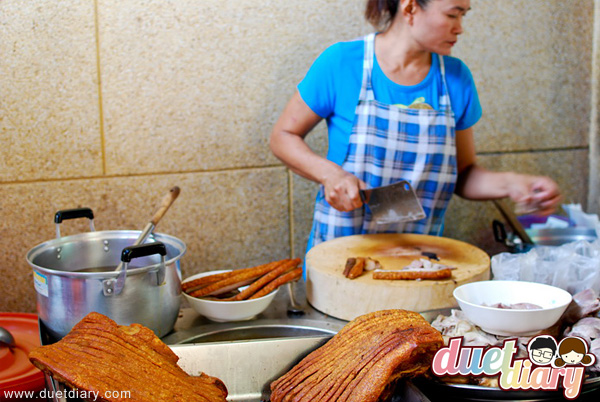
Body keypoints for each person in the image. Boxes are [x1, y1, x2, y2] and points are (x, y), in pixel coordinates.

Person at [270, 0, 561, 252]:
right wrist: (330, 175)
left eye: (464, 15)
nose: (460, 27)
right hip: (337, 257)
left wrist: (513, 184)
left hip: (417, 262)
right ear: (410, 8)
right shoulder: (343, 63)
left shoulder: (455, 79)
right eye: (452, 14)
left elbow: (464, 174)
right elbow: (283, 137)